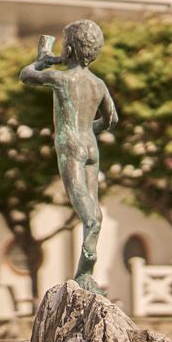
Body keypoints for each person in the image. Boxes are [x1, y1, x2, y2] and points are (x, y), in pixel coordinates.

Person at [20, 19, 118, 292]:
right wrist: (90, 130)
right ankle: (84, 272)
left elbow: (26, 75)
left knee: (84, 209)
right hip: (90, 145)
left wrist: (43, 61)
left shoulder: (62, 78)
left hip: (70, 144)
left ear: (71, 50)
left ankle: (88, 260)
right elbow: (111, 119)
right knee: (92, 209)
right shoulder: (98, 84)